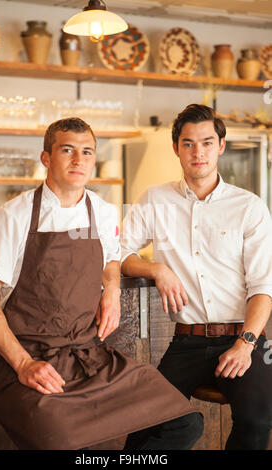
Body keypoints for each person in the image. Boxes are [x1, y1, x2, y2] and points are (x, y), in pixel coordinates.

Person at [0, 117, 202, 450]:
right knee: (59, 440)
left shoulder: (104, 212)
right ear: (46, 158)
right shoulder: (13, 217)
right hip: (31, 363)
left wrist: (112, 287)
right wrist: (23, 364)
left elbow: (112, 257)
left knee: (183, 422)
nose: (79, 160)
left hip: (92, 357)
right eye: (68, 150)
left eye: (87, 152)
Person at [121, 104, 272, 450]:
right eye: (188, 143)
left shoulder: (249, 207)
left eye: (206, 142)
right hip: (186, 343)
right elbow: (119, 252)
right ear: (176, 148)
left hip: (244, 339)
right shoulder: (155, 199)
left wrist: (246, 344)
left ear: (221, 146)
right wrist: (156, 269)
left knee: (258, 420)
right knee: (144, 421)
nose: (198, 152)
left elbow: (263, 287)